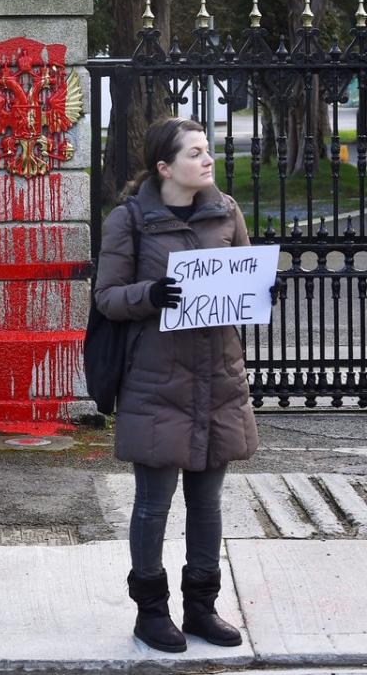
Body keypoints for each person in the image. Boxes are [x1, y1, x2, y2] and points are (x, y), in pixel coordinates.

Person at [94, 117, 259, 653]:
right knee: (153, 504)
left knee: (208, 504)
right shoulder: (130, 219)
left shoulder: (226, 210)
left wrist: (259, 285)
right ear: (165, 167)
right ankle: (151, 611)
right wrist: (152, 294)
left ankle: (202, 608)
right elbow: (108, 298)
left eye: (208, 150)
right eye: (195, 152)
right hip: (157, 382)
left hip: (218, 379)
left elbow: (242, 277)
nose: (207, 160)